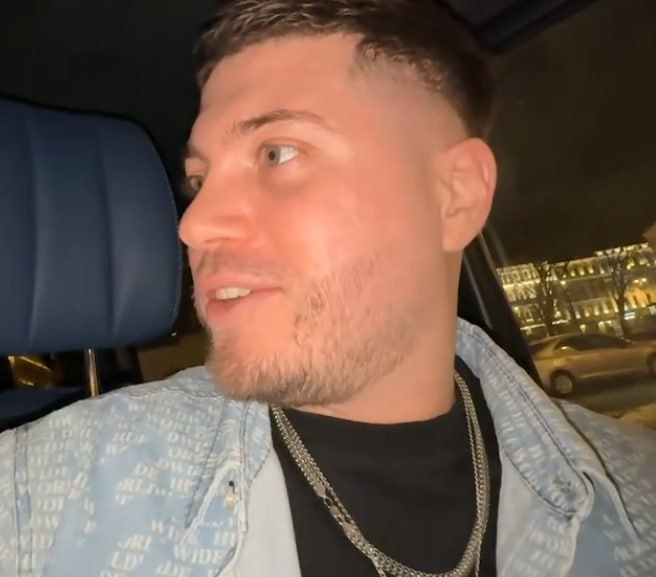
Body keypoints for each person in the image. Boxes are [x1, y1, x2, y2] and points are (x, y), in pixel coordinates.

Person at [1, 1, 655, 576]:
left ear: (454, 195)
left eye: (276, 153)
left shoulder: (637, 491)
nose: (194, 225)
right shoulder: (52, 491)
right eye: (199, 181)